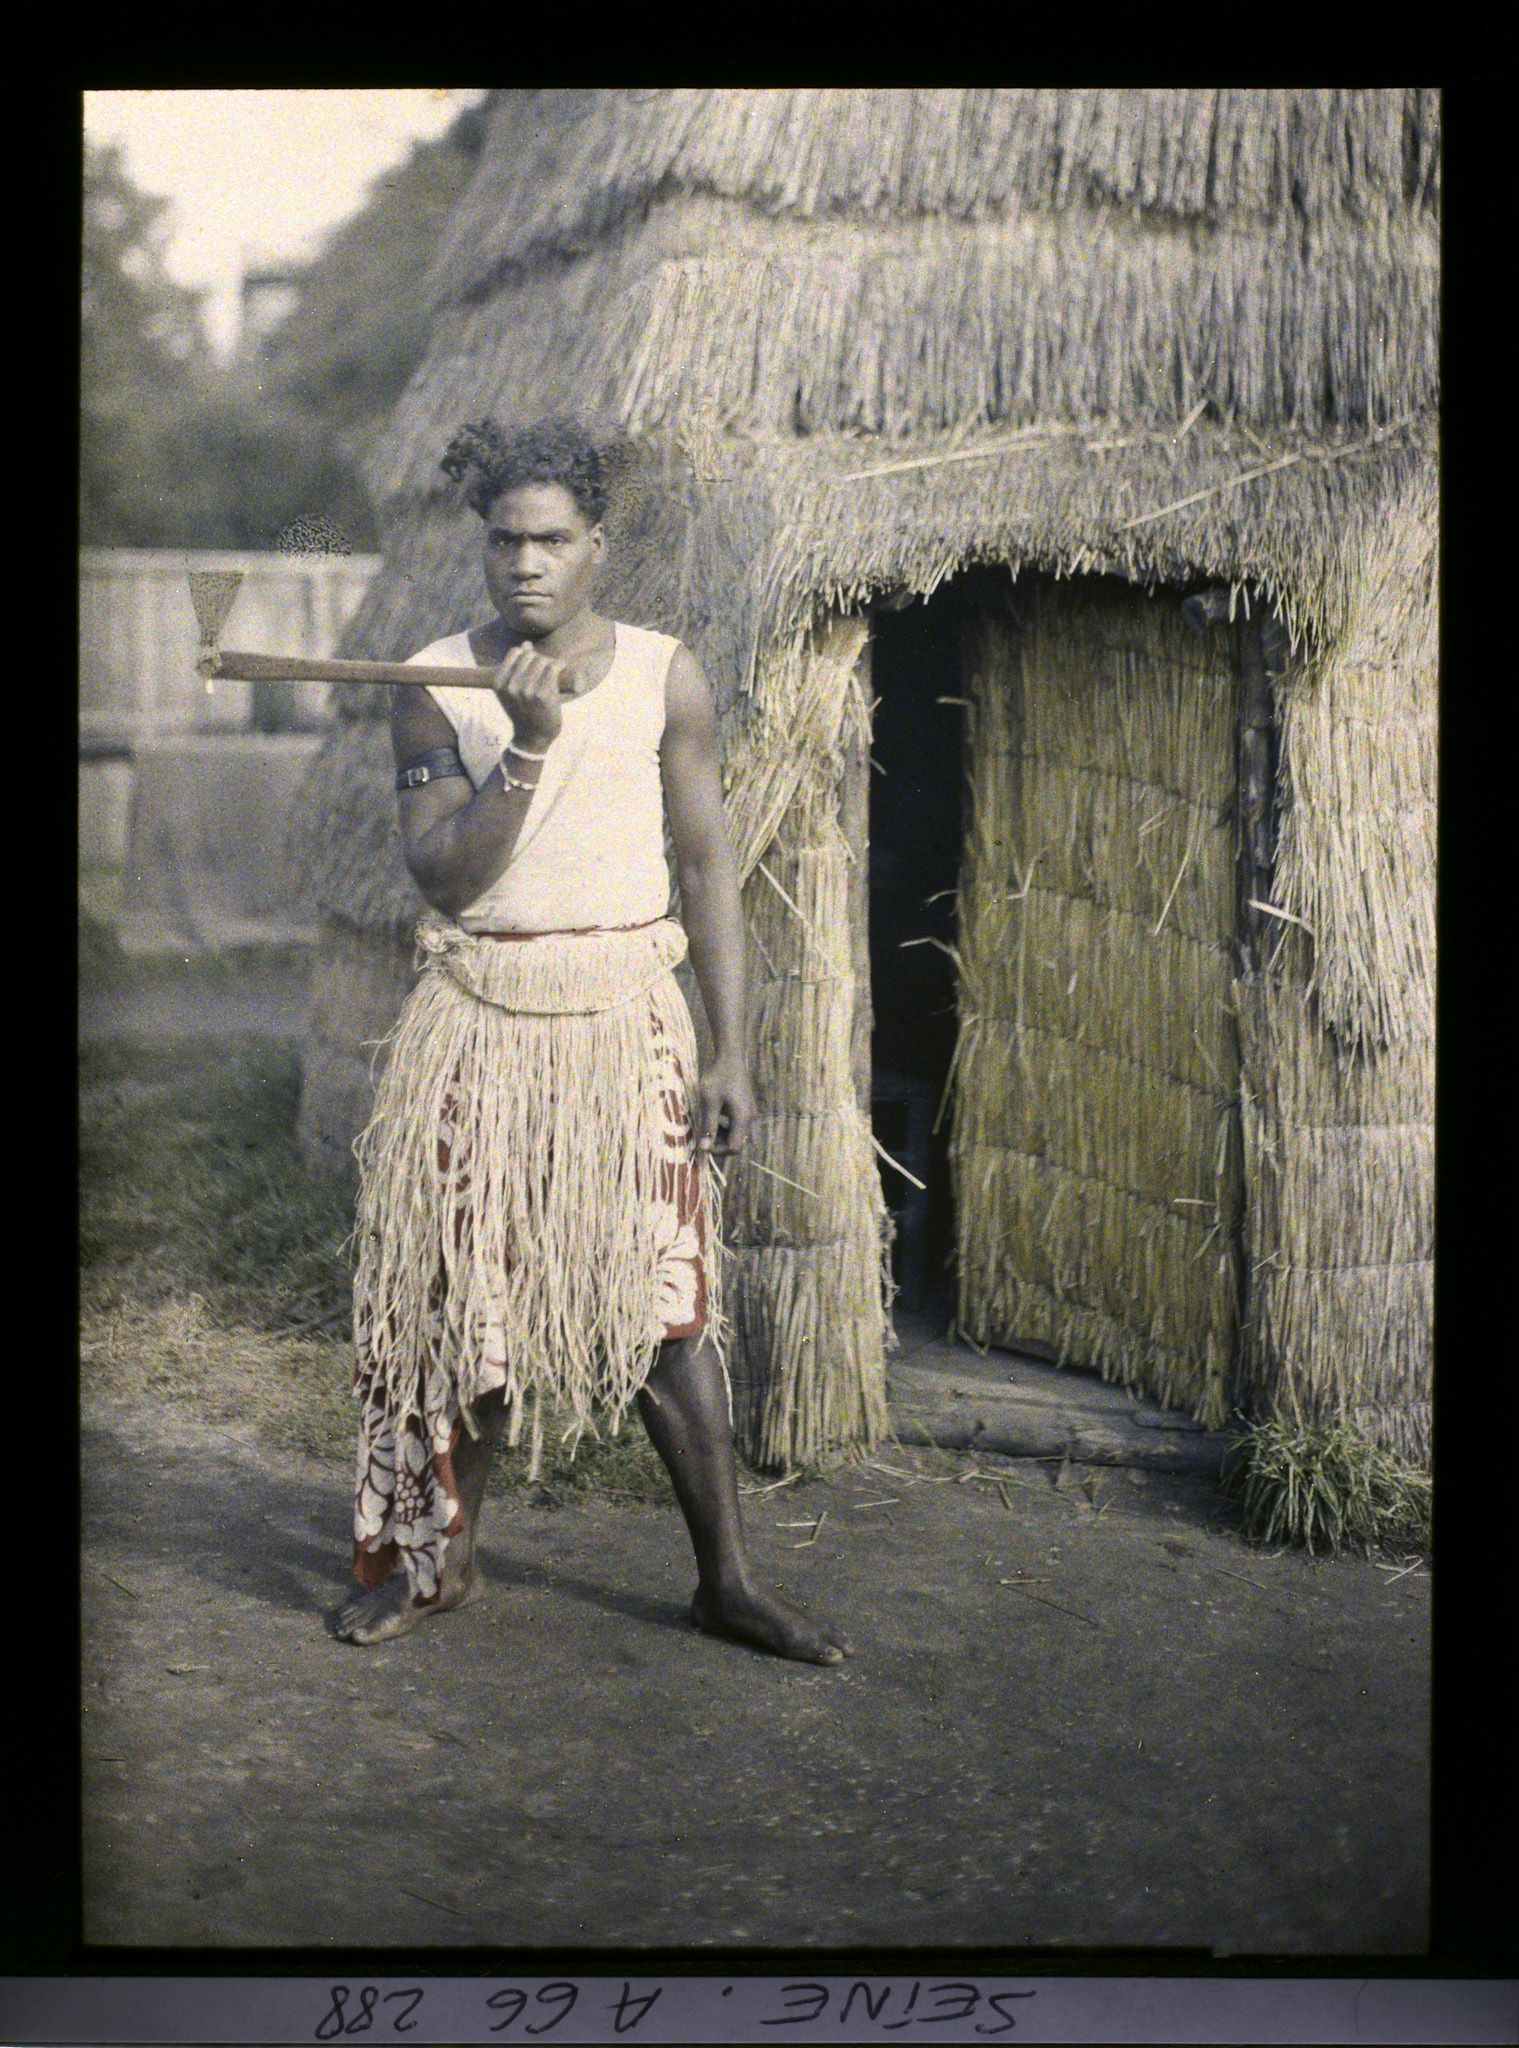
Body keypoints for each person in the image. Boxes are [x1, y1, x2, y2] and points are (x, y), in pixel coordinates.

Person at [333, 416, 850, 1665]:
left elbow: (709, 860)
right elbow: (446, 878)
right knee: (451, 1299)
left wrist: (729, 1047)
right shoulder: (430, 681)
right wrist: (525, 749)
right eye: (505, 540)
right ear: (483, 544)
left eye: (551, 540)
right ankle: (435, 1560)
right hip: (478, 1020)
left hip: (627, 1023)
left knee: (669, 1317)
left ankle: (725, 1578)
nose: (525, 564)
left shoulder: (665, 673)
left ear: (596, 546)